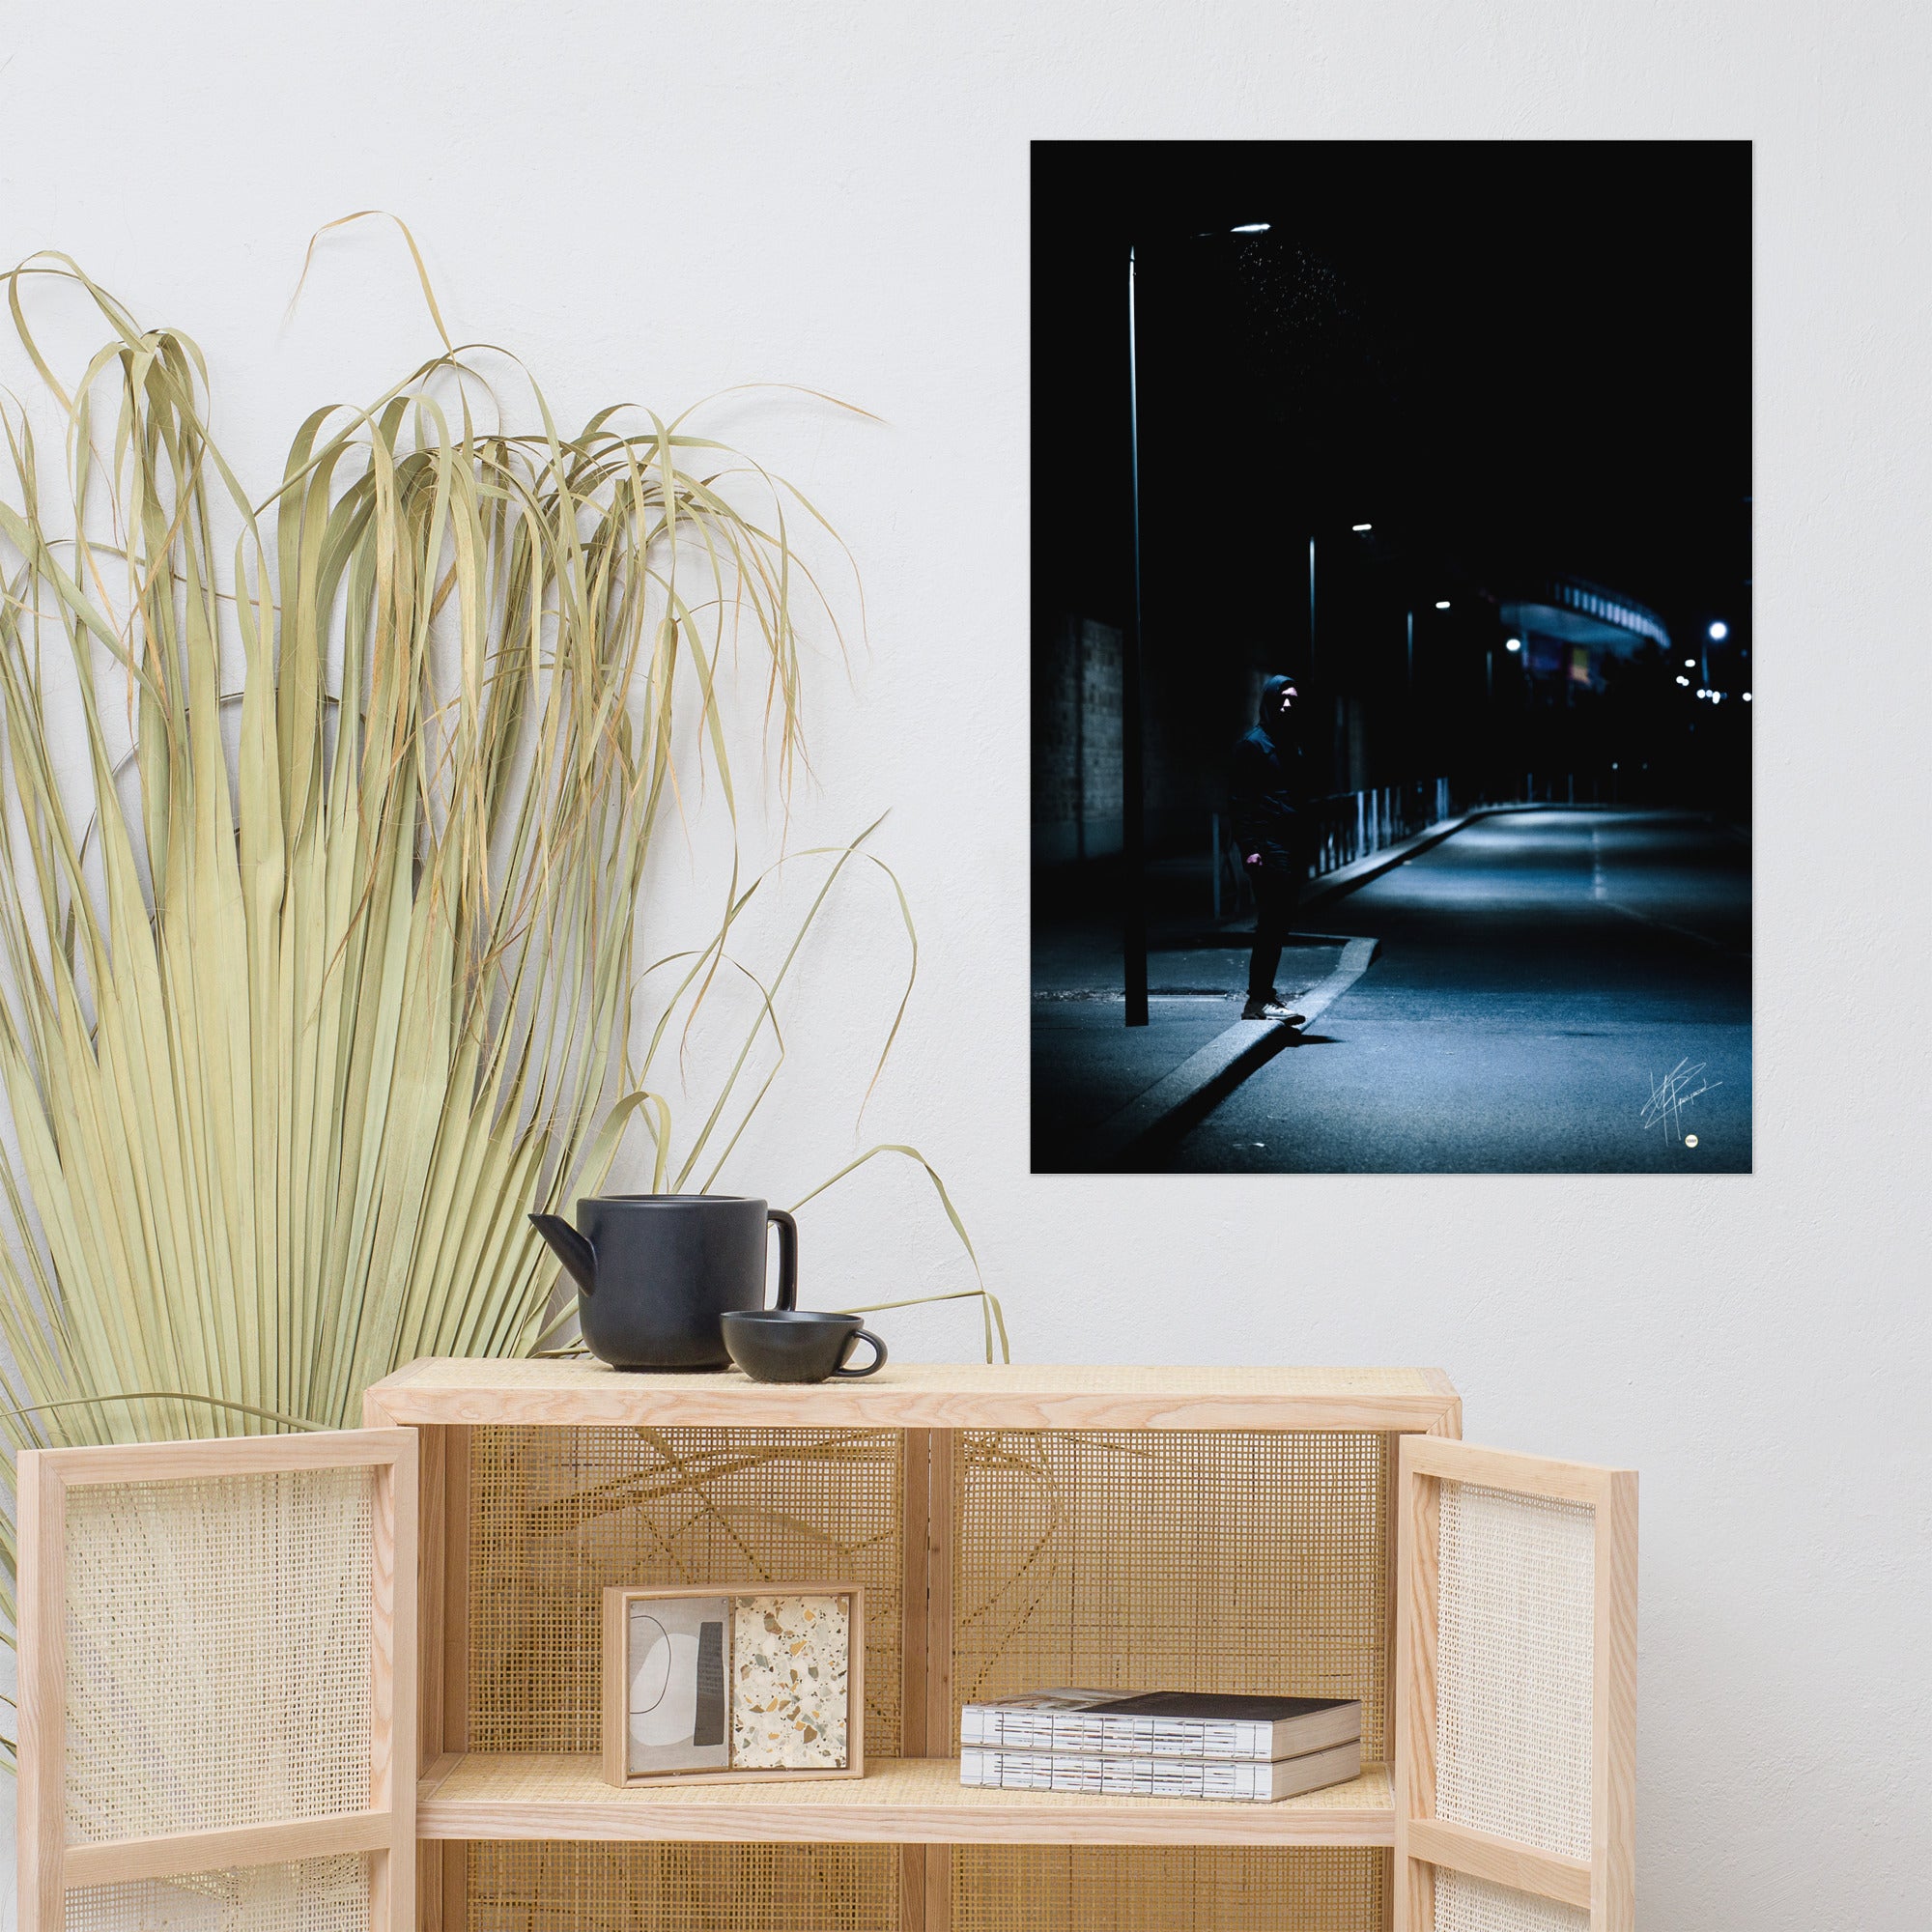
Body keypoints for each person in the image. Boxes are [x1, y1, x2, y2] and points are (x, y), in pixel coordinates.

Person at [1230, 671, 1310, 1024]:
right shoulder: (1253, 745)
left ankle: (1262, 996)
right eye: (1282, 698)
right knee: (1271, 921)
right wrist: (1249, 847)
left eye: (1293, 698)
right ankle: (1258, 999)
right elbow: (1240, 800)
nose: (1288, 703)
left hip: (1288, 844)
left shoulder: (1290, 744)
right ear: (1269, 700)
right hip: (1266, 844)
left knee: (1278, 922)